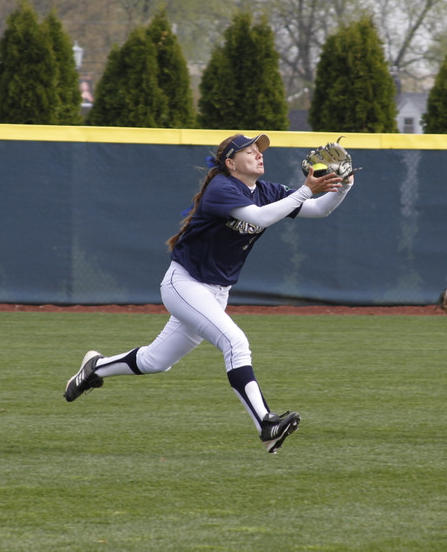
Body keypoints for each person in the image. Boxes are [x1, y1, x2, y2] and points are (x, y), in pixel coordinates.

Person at [63, 133, 354, 453]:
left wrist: (344, 186)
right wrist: (304, 189)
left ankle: (95, 368)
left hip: (216, 291)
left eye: (260, 150)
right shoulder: (221, 188)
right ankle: (266, 424)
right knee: (235, 342)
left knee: (156, 361)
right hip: (185, 284)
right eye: (250, 151)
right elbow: (259, 217)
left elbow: (319, 209)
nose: (259, 154)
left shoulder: (267, 191)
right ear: (231, 163)